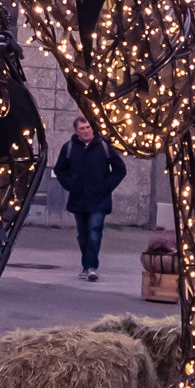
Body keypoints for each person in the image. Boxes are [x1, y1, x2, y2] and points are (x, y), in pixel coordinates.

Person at [54, 116, 127, 282]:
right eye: (82, 128)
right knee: (83, 235)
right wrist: (70, 184)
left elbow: (120, 169)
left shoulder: (104, 146)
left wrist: (107, 185)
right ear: (76, 131)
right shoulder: (69, 148)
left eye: (88, 127)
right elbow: (60, 170)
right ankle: (86, 265)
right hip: (79, 198)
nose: (86, 130)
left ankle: (91, 267)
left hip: (99, 198)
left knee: (95, 230)